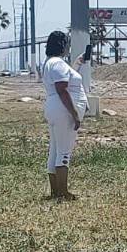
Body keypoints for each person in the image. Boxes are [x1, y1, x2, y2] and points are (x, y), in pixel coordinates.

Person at [41, 30, 88, 200]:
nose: (69, 47)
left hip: (54, 108)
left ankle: (56, 191)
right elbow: (62, 89)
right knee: (64, 151)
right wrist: (74, 113)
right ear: (62, 45)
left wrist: (77, 63)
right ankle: (63, 192)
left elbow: (65, 80)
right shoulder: (58, 63)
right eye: (67, 43)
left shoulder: (51, 63)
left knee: (55, 150)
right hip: (63, 110)